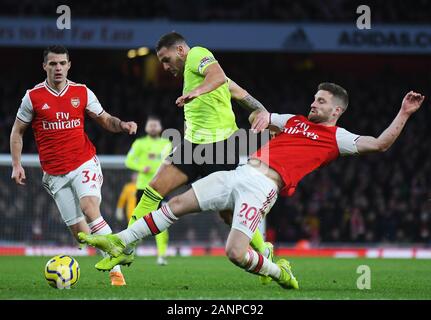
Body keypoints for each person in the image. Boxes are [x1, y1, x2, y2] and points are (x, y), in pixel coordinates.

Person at [78, 84, 425, 289]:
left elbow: (379, 144)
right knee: (175, 205)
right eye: (314, 98)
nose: (313, 103)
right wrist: (257, 115)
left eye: (320, 101)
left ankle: (278, 271)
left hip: (261, 188)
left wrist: (404, 113)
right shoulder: (294, 121)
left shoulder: (338, 138)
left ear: (336, 109)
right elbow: (259, 114)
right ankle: (120, 242)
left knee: (235, 253)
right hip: (239, 170)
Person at [95, 32, 274, 271]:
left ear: (180, 50)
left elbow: (217, 75)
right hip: (191, 146)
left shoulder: (198, 55)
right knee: (154, 189)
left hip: (220, 148)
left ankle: (263, 250)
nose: (165, 66)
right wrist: (263, 113)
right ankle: (125, 249)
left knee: (228, 214)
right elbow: (241, 94)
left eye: (166, 59)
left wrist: (197, 91)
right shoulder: (198, 76)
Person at [10, 45, 138, 286]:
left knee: (90, 209)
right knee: (81, 236)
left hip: (83, 162)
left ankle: (117, 270)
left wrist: (122, 125)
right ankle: (114, 249)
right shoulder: (33, 97)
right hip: (55, 174)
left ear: (69, 65)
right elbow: (17, 132)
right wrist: (17, 164)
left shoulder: (82, 92)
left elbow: (105, 120)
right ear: (44, 66)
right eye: (53, 64)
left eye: (62, 63)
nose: (58, 68)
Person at [123, 116, 172, 266]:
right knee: (137, 219)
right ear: (146, 128)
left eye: (155, 125)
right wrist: (141, 168)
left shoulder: (166, 143)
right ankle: (129, 250)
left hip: (161, 186)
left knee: (162, 221)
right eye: (150, 125)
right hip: (142, 186)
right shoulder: (139, 143)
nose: (152, 127)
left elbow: (170, 161)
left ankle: (161, 255)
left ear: (160, 127)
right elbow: (128, 161)